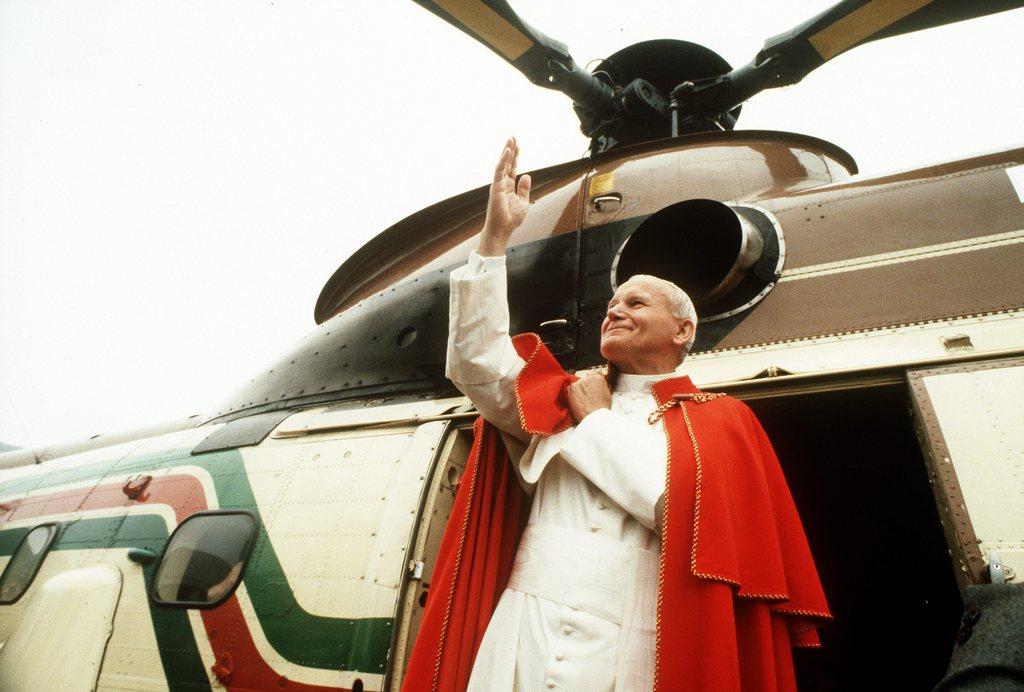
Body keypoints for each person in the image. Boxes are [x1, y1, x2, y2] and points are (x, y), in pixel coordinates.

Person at [404, 138, 830, 692]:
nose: (615, 309)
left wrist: (596, 422)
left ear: (683, 331)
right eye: (613, 302)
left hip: (636, 640)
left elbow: (676, 508)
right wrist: (495, 239)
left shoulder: (722, 421)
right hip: (522, 632)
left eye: (636, 302)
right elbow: (474, 361)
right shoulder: (558, 397)